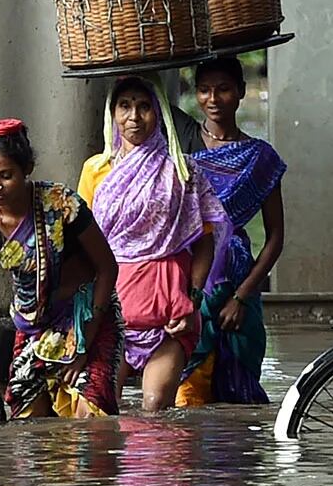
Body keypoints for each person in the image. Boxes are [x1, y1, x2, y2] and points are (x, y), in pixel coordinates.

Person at [0, 118, 123, 418]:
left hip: (87, 318)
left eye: (5, 176)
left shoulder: (62, 203)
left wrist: (84, 344)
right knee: (27, 424)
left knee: (93, 419)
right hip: (33, 327)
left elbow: (107, 267)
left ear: (26, 169)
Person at [77, 76, 231, 413]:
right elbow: (83, 244)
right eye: (125, 106)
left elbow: (204, 240)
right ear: (112, 114)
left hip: (169, 314)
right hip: (111, 313)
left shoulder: (182, 170)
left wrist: (193, 299)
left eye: (144, 106)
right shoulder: (96, 170)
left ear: (159, 113)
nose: (134, 116)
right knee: (93, 412)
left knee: (156, 407)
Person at [179, 55, 287, 406]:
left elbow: (275, 237)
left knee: (239, 400)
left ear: (240, 92)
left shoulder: (261, 157)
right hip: (190, 281)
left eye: (223, 89)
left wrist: (241, 297)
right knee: (186, 388)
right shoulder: (181, 151)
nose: (213, 99)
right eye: (205, 90)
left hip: (238, 284)